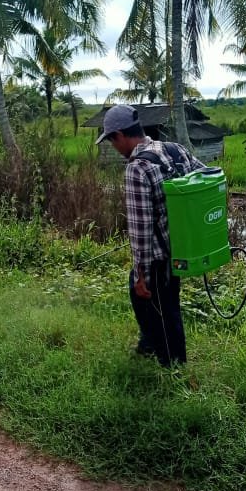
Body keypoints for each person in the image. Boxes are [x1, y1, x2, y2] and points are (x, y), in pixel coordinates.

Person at [96, 104, 206, 367]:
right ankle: (147, 345)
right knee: (152, 301)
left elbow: (140, 229)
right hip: (180, 247)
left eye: (112, 141)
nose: (114, 147)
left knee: (163, 310)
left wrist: (141, 272)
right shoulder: (174, 149)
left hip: (157, 258)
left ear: (120, 135)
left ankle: (174, 366)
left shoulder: (137, 168)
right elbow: (206, 177)